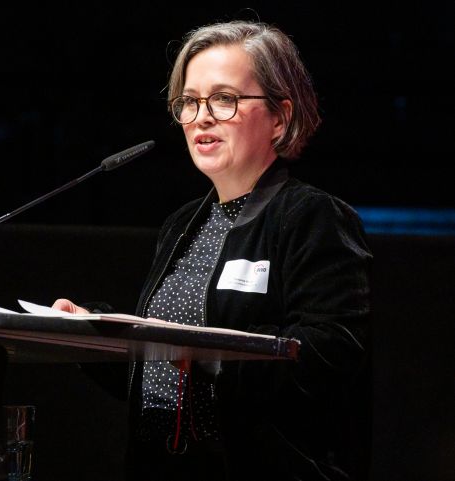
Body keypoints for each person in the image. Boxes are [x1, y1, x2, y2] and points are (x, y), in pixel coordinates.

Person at [52, 20, 372, 481]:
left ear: (280, 117)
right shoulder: (183, 225)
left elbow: (332, 358)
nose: (201, 116)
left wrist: (203, 351)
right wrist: (91, 331)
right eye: (189, 101)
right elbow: (160, 374)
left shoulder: (310, 217)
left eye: (224, 99)